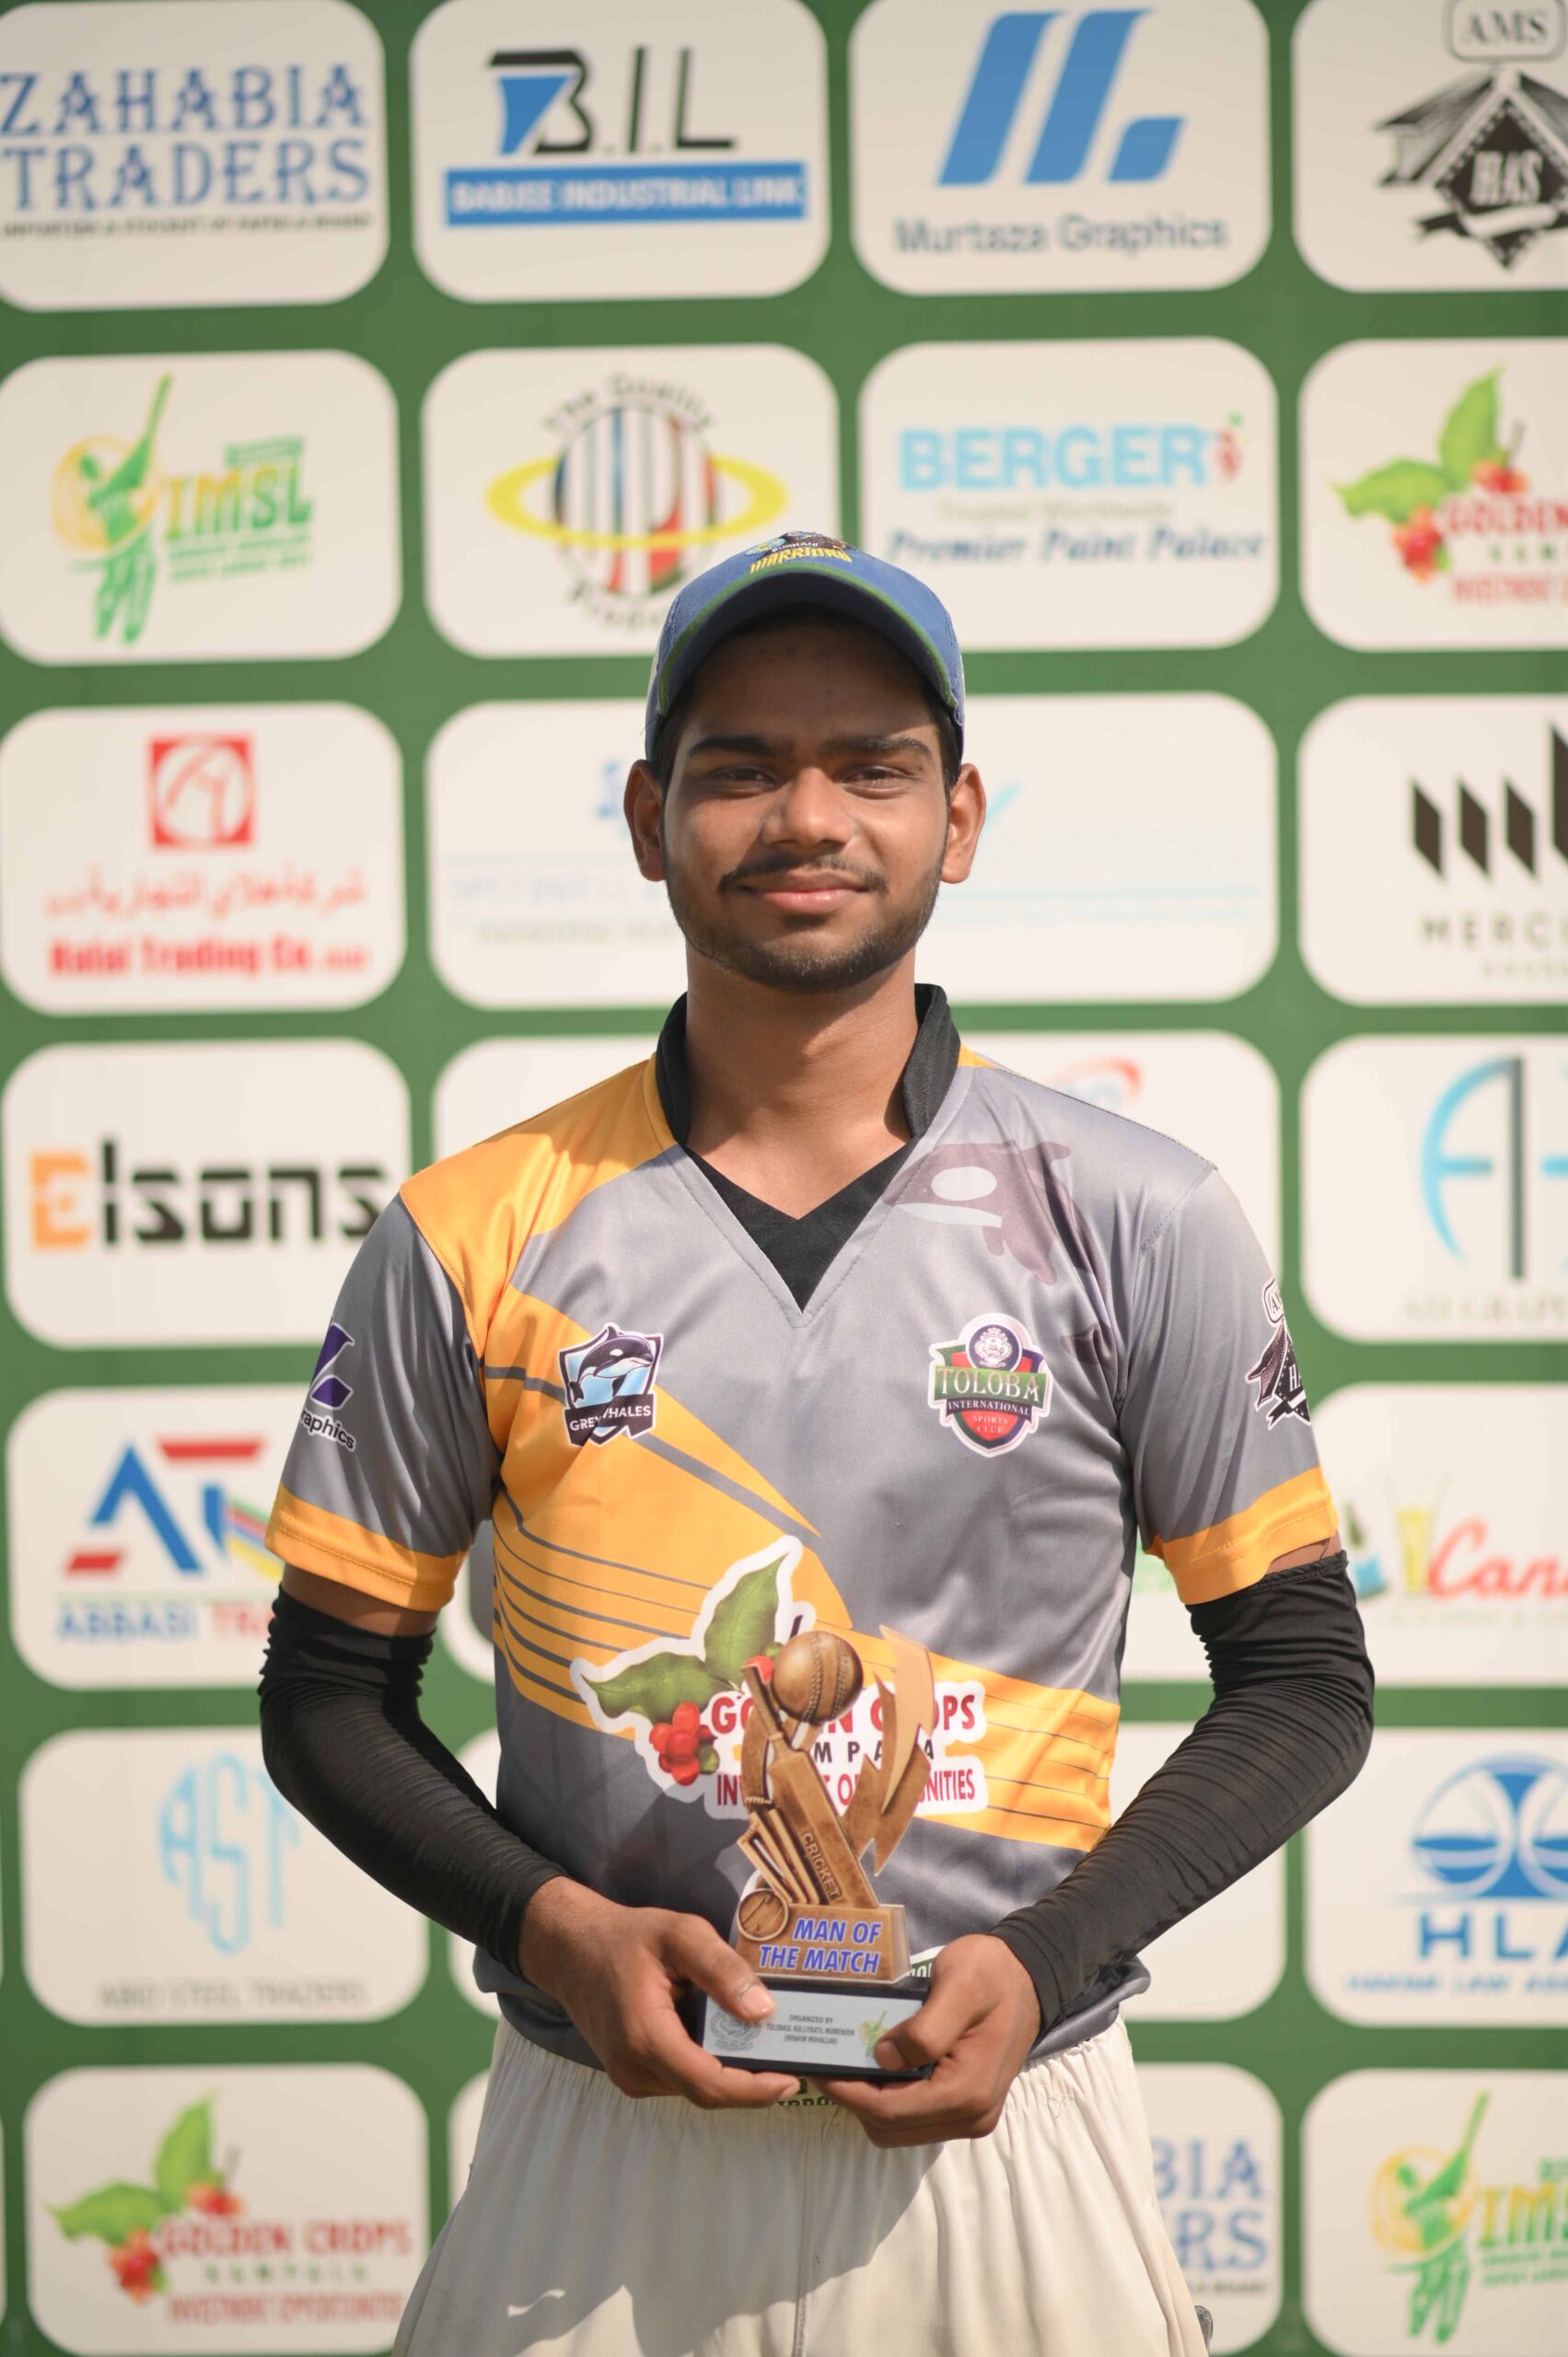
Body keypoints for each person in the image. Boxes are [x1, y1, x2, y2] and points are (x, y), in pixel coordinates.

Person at [260, 531, 1373, 2356]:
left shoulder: (1136, 1212)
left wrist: (1048, 1956)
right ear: (648, 818)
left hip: (1011, 2131)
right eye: (741, 767)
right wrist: (557, 1930)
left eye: (872, 764)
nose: (807, 816)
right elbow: (325, 1694)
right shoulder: (470, 1229)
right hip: (594, 2142)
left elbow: (1306, 1680)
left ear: (960, 816)